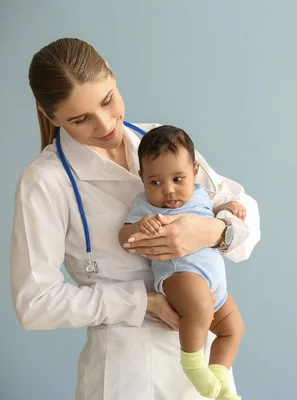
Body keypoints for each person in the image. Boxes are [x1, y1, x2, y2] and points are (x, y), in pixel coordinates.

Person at [9, 37, 260, 400]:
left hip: (207, 365)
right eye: (80, 119)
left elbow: (243, 215)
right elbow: (35, 304)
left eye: (108, 100)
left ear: (111, 72)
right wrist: (140, 301)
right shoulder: (45, 181)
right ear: (51, 117)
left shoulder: (158, 141)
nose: (105, 125)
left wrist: (214, 230)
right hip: (127, 374)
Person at [119, 125, 246, 400]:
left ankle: (220, 376)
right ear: (142, 178)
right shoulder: (145, 206)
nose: (168, 191)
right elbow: (124, 237)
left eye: (178, 179)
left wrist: (226, 210)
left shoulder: (200, 194)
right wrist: (139, 226)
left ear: (195, 171)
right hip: (180, 274)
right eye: (155, 182)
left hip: (215, 285)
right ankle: (192, 364)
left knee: (233, 329)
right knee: (200, 310)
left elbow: (213, 215)